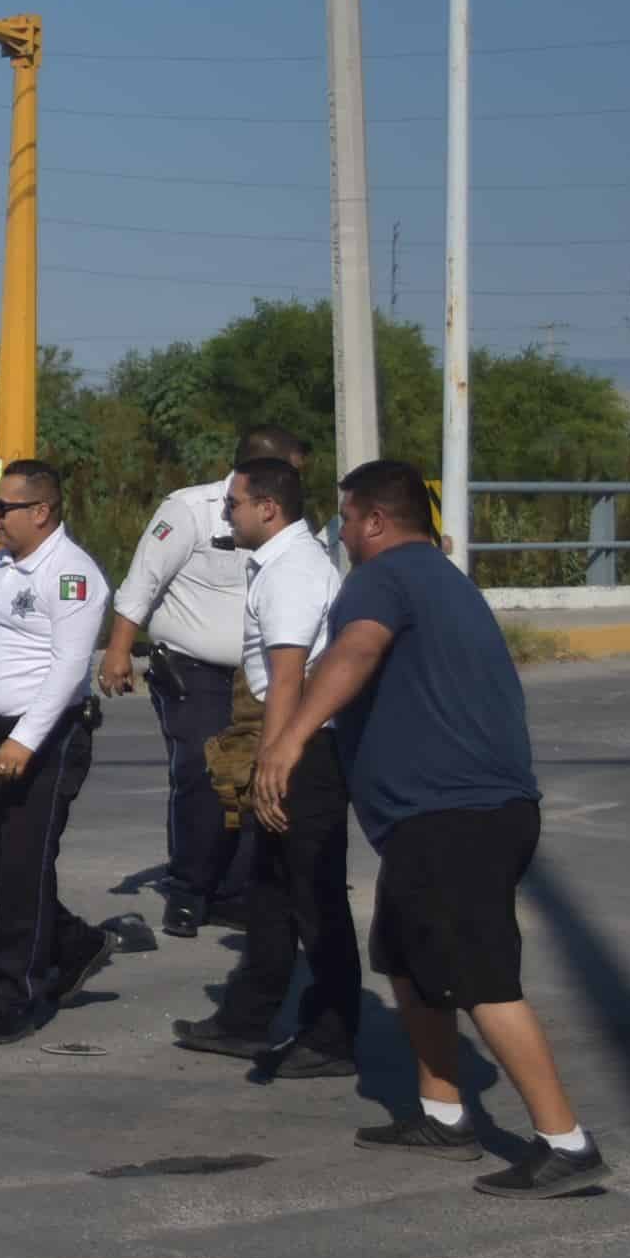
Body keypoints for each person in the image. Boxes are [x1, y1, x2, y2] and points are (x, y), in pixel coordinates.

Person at [257, 461, 607, 1198]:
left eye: (347, 520)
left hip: (456, 818)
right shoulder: (441, 578)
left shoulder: (383, 577)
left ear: (376, 522)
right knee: (409, 962)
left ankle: (565, 1141)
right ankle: (443, 1115)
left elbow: (355, 651)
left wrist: (287, 740)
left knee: (480, 977)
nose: (342, 533)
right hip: (454, 816)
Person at [172, 456, 362, 1077]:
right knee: (272, 891)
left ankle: (333, 1036)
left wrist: (274, 761)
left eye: (233, 504)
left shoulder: (292, 572)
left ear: (267, 508)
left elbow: (287, 677)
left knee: (315, 897)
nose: (226, 513)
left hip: (301, 748)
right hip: (292, 744)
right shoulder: (280, 565)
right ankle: (246, 1021)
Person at [101, 426, 310, 937]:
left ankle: (236, 891)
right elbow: (142, 579)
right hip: (191, 667)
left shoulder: (287, 518)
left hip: (256, 673)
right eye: (291, 472)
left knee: (251, 774)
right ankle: (190, 889)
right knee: (200, 768)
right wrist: (119, 650)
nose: (297, 484)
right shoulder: (191, 509)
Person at [0, 459, 115, 1045]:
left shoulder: (72, 574)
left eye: (3, 507)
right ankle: (73, 941)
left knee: (23, 867)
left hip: (49, 735)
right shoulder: (0, 564)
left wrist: (24, 740)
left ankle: (13, 995)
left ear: (41, 512)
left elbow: (70, 669)